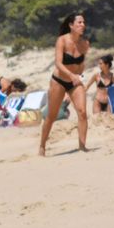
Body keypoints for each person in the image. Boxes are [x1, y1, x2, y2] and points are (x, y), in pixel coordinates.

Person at [39, 13, 91, 157]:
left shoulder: (85, 43)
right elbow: (58, 63)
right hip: (59, 81)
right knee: (51, 116)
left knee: (82, 112)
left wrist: (79, 77)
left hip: (75, 82)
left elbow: (81, 64)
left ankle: (82, 146)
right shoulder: (62, 40)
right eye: (79, 22)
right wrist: (71, 75)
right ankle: (42, 146)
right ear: (71, 25)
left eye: (83, 22)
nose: (82, 25)